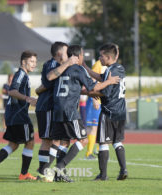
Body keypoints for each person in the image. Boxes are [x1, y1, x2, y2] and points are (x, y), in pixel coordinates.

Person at [47, 45, 120, 182]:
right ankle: (60, 166)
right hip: (69, 110)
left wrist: (88, 93)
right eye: (82, 55)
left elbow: (72, 87)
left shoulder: (61, 68)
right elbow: (93, 87)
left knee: (64, 141)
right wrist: (109, 82)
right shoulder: (78, 69)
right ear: (78, 56)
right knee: (83, 139)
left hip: (58, 109)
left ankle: (59, 176)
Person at [0, 51, 37, 181]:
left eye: (35, 62)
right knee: (30, 142)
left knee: (13, 144)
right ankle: (24, 174)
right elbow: (12, 91)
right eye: (31, 61)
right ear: (23, 62)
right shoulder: (20, 74)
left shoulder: (23, 75)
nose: (34, 64)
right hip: (19, 115)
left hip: (13, 115)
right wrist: (28, 98)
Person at [35, 42, 78, 182]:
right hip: (47, 106)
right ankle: (42, 173)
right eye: (66, 53)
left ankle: (58, 173)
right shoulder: (53, 65)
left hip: (56, 108)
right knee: (48, 140)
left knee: (63, 140)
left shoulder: (58, 65)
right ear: (59, 54)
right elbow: (49, 81)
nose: (69, 56)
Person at [85, 43, 127, 181]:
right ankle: (123, 170)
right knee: (117, 141)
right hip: (120, 111)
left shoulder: (110, 71)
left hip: (109, 111)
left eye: (101, 55)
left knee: (103, 142)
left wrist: (91, 93)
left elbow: (106, 92)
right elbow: (100, 77)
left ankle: (103, 175)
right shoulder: (119, 68)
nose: (99, 58)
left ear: (108, 57)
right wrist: (85, 67)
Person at [85, 60, 104, 159]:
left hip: (103, 100)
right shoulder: (98, 64)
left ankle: (97, 150)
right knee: (93, 127)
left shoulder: (111, 66)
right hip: (96, 100)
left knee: (100, 127)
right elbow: (92, 80)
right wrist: (93, 97)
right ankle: (89, 153)